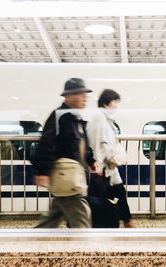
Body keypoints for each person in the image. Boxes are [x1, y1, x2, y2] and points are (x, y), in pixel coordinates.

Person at [31, 78, 98, 228]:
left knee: (52, 220)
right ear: (68, 96)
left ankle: (30, 243)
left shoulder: (76, 118)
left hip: (72, 177)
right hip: (67, 176)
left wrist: (91, 160)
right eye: (81, 94)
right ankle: (85, 249)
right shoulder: (59, 116)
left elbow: (81, 145)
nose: (85, 98)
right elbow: (47, 143)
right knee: (82, 222)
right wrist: (43, 171)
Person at [87, 89, 134, 228]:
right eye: (115, 101)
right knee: (111, 196)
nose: (116, 105)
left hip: (107, 170)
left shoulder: (105, 119)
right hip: (102, 170)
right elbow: (98, 143)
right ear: (107, 102)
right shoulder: (99, 118)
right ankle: (127, 224)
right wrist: (108, 158)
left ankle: (127, 222)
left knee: (118, 193)